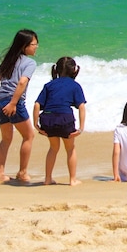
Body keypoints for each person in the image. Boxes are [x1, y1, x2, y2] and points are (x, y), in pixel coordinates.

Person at [0, 29, 39, 183]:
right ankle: (22, 172)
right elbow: (22, 82)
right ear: (25, 46)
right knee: (29, 135)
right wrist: (13, 103)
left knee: (6, 139)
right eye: (34, 44)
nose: (36, 47)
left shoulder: (9, 60)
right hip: (13, 102)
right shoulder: (30, 63)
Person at [33, 56, 87, 186]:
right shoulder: (75, 86)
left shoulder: (49, 85)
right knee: (70, 148)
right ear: (74, 70)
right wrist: (81, 128)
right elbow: (81, 106)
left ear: (56, 70)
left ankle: (47, 179)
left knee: (53, 148)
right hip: (65, 119)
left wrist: (36, 125)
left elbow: (36, 105)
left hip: (48, 120)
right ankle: (72, 179)